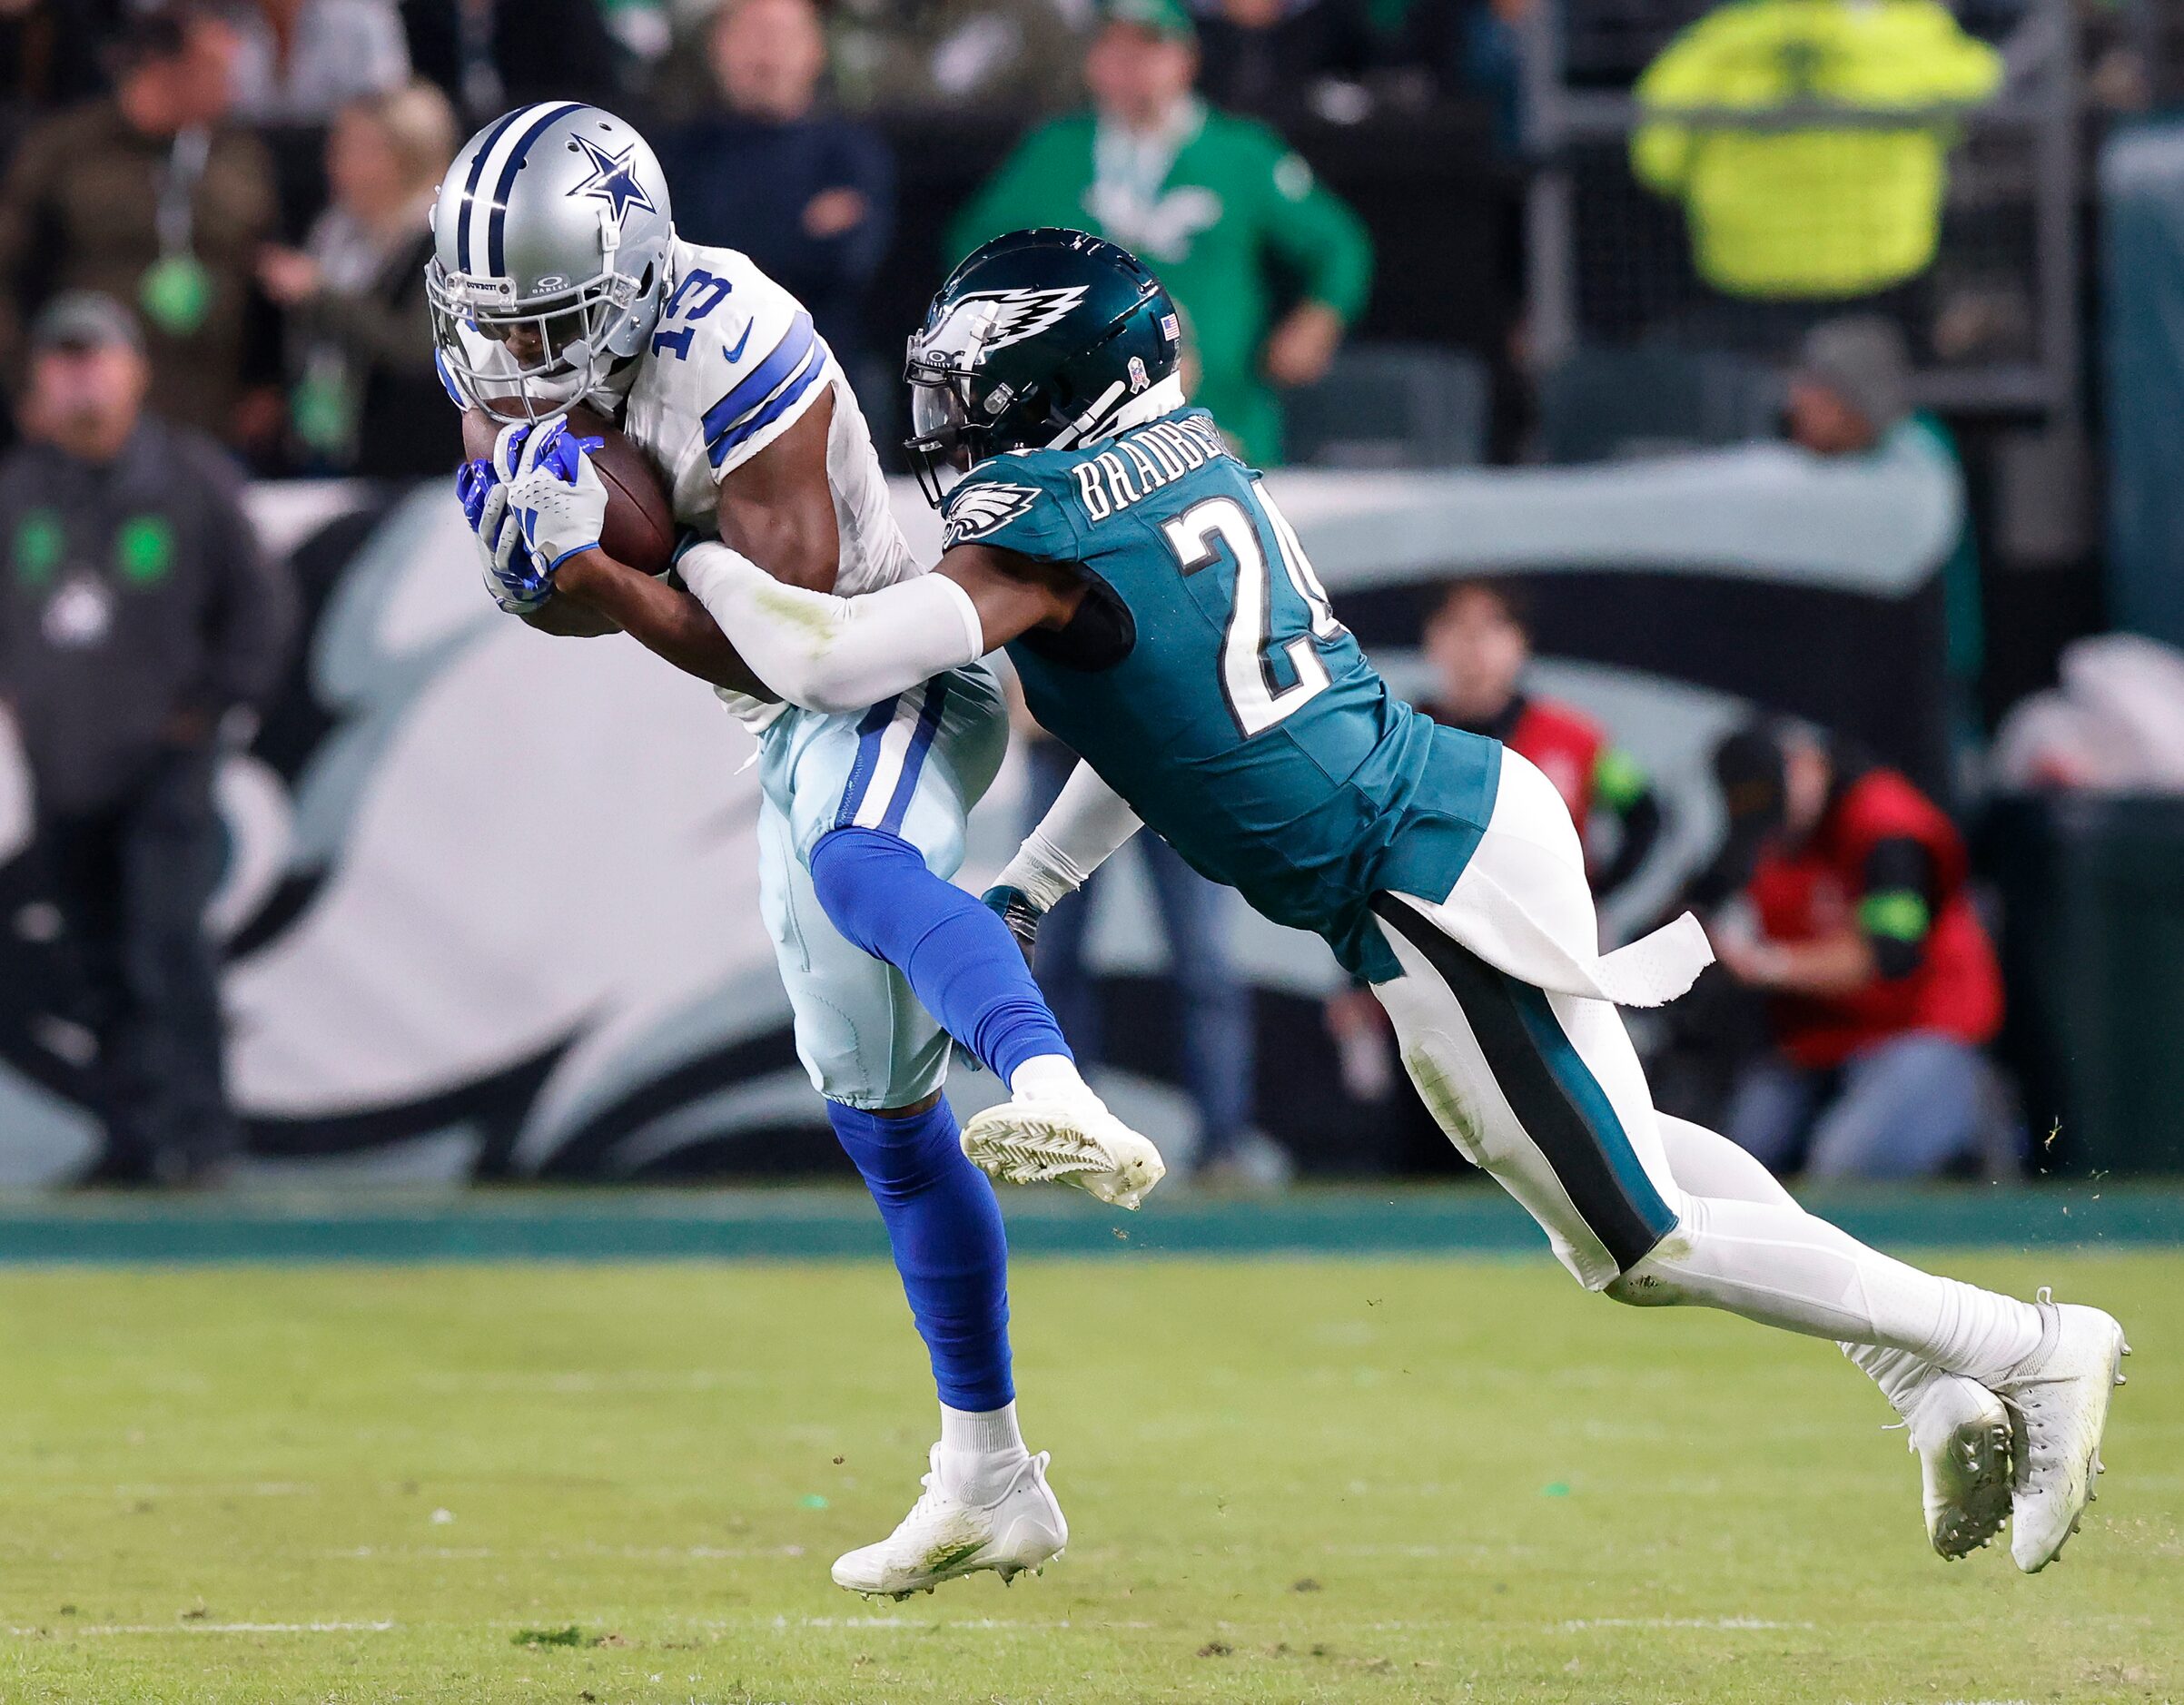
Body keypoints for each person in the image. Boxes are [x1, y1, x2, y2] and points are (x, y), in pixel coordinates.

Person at [546, 226, 2128, 1581]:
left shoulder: (1046, 525)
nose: (952, 433)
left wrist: (678, 556)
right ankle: (1929, 1387)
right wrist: (1030, 878)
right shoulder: (1179, 459)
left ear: (1052, 391)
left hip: (1417, 871)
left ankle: (2020, 1345)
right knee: (1631, 1152)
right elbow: (1152, 735)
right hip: (1456, 816)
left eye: (971, 400)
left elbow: (828, 659)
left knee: (1630, 1237)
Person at [431, 104, 1161, 1602]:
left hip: (881, 672)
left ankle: (1049, 1076)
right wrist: (553, 571)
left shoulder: (736, 338)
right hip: (783, 720)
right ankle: (992, 1472)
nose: (519, 362)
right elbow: (545, 539)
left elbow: (789, 646)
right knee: (885, 1123)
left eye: (555, 322)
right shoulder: (504, 349)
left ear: (631, 274)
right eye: (499, 327)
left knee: (857, 869)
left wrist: (599, 570)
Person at [0, 293, 296, 1186]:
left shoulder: (188, 478)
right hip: (63, 762)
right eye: (62, 360)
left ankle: (199, 1137)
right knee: (94, 958)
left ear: (135, 373)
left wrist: (211, 706)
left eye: (95, 359)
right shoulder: (22, 487)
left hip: (165, 756)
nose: (78, 377)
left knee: (167, 942)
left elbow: (261, 607)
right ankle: (132, 1139)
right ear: (37, 380)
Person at [947, 0, 1371, 465]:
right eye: (1114, 46)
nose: (1130, 65)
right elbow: (974, 249)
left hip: (1221, 417)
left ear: (1186, 58)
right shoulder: (1053, 151)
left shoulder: (1240, 153)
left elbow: (1338, 244)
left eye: (1148, 47)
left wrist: (1318, 319)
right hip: (1075, 427)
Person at [1699, 720, 2012, 1179]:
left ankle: (1975, 1148)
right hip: (1818, 1044)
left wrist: (1766, 964)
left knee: (1842, 1165)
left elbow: (1892, 953)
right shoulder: (1764, 831)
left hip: (1919, 1034)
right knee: (1733, 1167)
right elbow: (1700, 901)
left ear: (1804, 765)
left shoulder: (1887, 825)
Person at [0, 5, 281, 448]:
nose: (233, 86)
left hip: (210, 414)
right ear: (162, 67)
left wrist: (266, 381)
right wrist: (21, 383)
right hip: (87, 416)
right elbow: (9, 273)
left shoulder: (240, 155)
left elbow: (267, 272)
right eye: (215, 70)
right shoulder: (64, 152)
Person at [1018, 723, 1269, 1184]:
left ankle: (1224, 1150)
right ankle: (1063, 1144)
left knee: (1203, 965)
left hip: (1165, 747)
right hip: (1070, 746)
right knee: (1049, 963)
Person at [1632, 0, 2002, 304]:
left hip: (1745, 278)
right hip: (1885, 274)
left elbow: (1657, 162)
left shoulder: (1714, 45)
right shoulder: (1911, 36)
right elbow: (1981, 98)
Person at [657, 0, 894, 372]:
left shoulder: (851, 154)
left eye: (782, 35)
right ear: (716, 47)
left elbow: (851, 261)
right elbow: (669, 268)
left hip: (821, 372)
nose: (766, 53)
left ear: (816, 49)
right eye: (750, 34)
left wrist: (734, 243)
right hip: (694, 371)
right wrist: (798, 231)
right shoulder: (677, 154)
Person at [1787, 315, 1984, 757]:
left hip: (1932, 679)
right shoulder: (1857, 462)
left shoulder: (1914, 456)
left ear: (1854, 396)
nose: (1797, 402)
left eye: (1816, 388)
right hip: (1873, 684)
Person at [256, 80, 460, 474]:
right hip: (325, 441)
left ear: (404, 157)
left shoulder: (442, 245)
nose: (333, 162)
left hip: (409, 458)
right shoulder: (331, 233)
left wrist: (320, 295)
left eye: (353, 148)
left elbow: (419, 348)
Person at [398, 0, 622, 123]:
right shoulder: (419, 14)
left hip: (550, 143)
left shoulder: (560, 10)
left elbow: (597, 94)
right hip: (454, 158)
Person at [224, 0, 410, 125]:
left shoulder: (362, 20)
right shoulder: (232, 26)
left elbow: (388, 110)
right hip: (261, 168)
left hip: (353, 160)